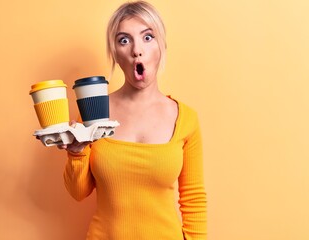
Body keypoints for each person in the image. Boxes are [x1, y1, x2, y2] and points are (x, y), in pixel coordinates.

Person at [58, 1, 207, 239]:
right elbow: (78, 192)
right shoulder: (93, 111)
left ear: (162, 45)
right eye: (124, 40)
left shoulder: (185, 118)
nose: (137, 49)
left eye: (148, 37)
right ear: (115, 53)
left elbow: (193, 199)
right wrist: (76, 152)